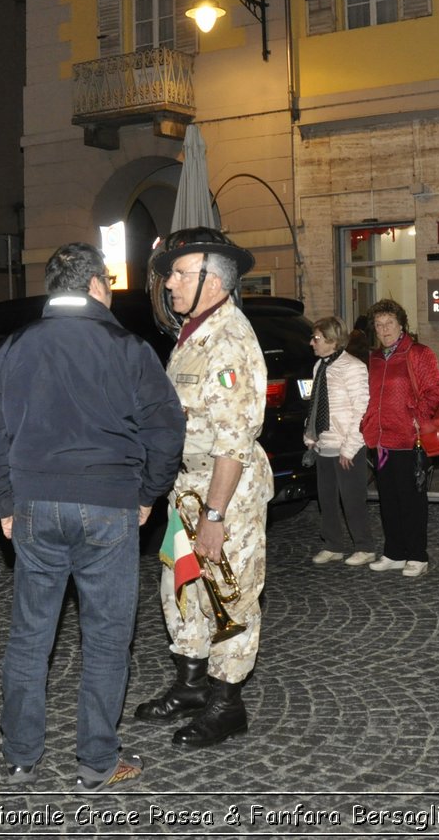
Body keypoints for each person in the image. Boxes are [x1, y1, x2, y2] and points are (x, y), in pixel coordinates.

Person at [0, 242, 185, 791]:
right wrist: (147, 495)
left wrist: (5, 503)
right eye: (108, 285)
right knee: (108, 639)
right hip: (110, 504)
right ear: (94, 285)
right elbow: (167, 430)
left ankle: (20, 755)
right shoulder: (129, 348)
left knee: (30, 636)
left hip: (35, 506)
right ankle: (97, 762)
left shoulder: (10, 349)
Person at [134, 227, 271, 747]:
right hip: (187, 492)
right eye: (170, 273)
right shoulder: (194, 334)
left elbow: (234, 443)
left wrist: (213, 518)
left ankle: (226, 703)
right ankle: (191, 687)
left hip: (222, 497)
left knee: (229, 599)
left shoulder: (229, 340)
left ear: (213, 280)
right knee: (185, 590)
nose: (168, 283)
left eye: (179, 273)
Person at [360, 299, 439, 579]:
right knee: (388, 498)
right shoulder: (373, 358)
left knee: (412, 498)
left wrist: (417, 417)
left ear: (401, 325)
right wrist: (367, 423)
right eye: (379, 324)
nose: (384, 329)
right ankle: (394, 552)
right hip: (382, 441)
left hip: (409, 439)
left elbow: (435, 390)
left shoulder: (418, 353)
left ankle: (417, 555)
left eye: (389, 323)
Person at [304, 315, 374, 567]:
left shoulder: (353, 367)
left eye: (317, 338)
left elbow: (362, 410)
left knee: (352, 499)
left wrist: (350, 447)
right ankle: (333, 544)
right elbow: (317, 403)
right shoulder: (320, 366)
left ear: (332, 340)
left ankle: (364, 546)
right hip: (325, 443)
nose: (312, 342)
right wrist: (311, 434)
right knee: (327, 499)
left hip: (347, 445)